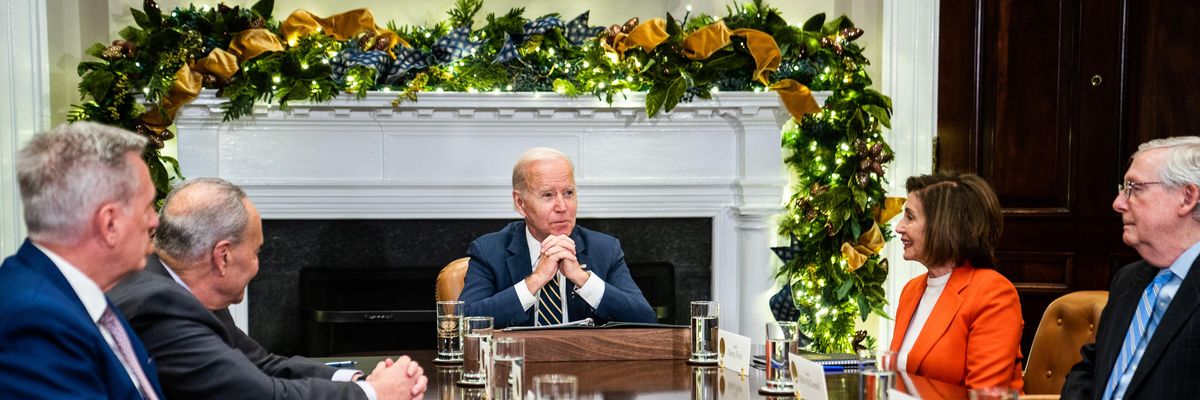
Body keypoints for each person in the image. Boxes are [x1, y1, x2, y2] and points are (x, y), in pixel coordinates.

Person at [107, 178, 428, 400]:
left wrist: (356, 378)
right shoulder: (159, 305)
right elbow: (260, 394)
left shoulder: (181, 288)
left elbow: (261, 365)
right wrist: (373, 394)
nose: (257, 266)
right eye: (256, 252)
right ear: (222, 257)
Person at [0, 122, 165, 399]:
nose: (154, 221)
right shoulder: (36, 319)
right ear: (110, 224)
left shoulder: (72, 294)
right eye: (148, 206)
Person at [1063, 137, 1200, 399]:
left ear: (1187, 197)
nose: (1118, 203)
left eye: (1134, 188)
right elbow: (1092, 366)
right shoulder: (1129, 279)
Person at [458, 147, 656, 328]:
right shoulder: (488, 251)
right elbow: (464, 323)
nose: (562, 207)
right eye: (548, 195)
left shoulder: (604, 249)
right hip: (519, 356)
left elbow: (645, 319)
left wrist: (582, 278)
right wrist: (536, 280)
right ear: (520, 203)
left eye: (568, 193)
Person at [889, 172, 1025, 390]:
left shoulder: (993, 293)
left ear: (942, 225)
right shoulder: (911, 290)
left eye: (910, 217)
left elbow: (983, 395)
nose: (898, 227)